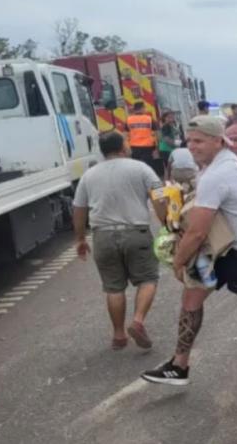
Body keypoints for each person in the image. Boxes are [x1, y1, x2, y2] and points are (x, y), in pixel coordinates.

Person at [141, 116, 237, 387]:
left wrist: (179, 261)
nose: (192, 147)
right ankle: (179, 364)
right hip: (221, 248)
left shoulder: (219, 173)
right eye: (189, 140)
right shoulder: (217, 164)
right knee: (192, 296)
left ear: (218, 140)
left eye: (199, 141)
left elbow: (197, 231)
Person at [72, 131, 167, 350]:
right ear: (123, 147)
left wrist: (80, 239)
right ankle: (138, 321)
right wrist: (167, 224)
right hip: (136, 233)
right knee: (148, 279)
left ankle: (118, 335)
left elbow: (79, 209)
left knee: (114, 288)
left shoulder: (89, 175)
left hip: (102, 236)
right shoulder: (141, 168)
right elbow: (159, 198)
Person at [127, 102, 160, 174]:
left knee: (136, 166)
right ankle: (150, 182)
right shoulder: (149, 119)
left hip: (134, 147)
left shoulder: (129, 120)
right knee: (149, 166)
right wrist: (158, 146)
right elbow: (157, 134)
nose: (145, 110)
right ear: (142, 108)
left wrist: (127, 147)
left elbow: (125, 134)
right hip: (147, 146)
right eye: (145, 108)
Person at [158, 110, 180, 175]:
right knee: (169, 169)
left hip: (169, 149)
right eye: (169, 117)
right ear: (164, 118)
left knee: (171, 169)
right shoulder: (166, 126)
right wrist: (176, 144)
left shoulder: (172, 126)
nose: (172, 118)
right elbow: (166, 139)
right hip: (167, 150)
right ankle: (169, 183)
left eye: (172, 117)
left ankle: (170, 182)